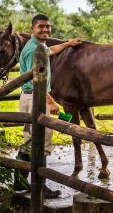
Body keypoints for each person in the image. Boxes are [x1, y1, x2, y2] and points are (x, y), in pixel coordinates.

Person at [15, 14, 81, 197]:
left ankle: (19, 183)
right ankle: (39, 185)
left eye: (48, 27)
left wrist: (68, 44)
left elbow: (50, 50)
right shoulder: (32, 50)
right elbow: (38, 78)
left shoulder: (40, 47)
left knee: (31, 139)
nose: (45, 30)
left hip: (34, 97)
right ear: (32, 29)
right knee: (39, 141)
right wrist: (51, 101)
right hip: (34, 97)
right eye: (41, 27)